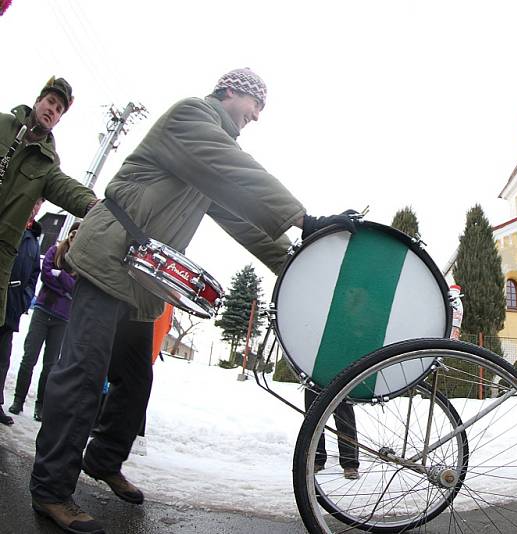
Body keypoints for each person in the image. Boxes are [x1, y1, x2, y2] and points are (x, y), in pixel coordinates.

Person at [29, 68, 357, 534]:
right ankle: (51, 490)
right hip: (108, 257)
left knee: (135, 380)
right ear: (233, 92)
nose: (258, 117)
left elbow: (244, 220)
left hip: (142, 274)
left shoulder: (209, 157)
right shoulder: (191, 118)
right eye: (255, 105)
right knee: (82, 373)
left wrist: (297, 264)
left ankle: (102, 459)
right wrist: (305, 218)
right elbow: (235, 170)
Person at [0, 76, 98, 328]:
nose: (52, 111)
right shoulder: (3, 124)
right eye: (50, 102)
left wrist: (94, 207)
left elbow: (66, 188)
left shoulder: (49, 163)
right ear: (37, 101)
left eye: (58, 110)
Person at [9, 221, 80, 422]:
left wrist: (62, 278)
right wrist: (65, 288)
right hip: (43, 310)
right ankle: (18, 400)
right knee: (29, 358)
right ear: (70, 234)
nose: (75, 238)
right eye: (73, 234)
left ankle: (40, 406)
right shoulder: (54, 250)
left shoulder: (81, 262)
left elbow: (77, 288)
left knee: (50, 365)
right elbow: (46, 276)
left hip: (62, 318)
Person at [0, 204, 43, 425]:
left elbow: (34, 274)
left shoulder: (33, 240)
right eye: (34, 201)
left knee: (3, 358)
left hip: (12, 306)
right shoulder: (9, 221)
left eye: (40, 203)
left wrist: (24, 299)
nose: (35, 207)